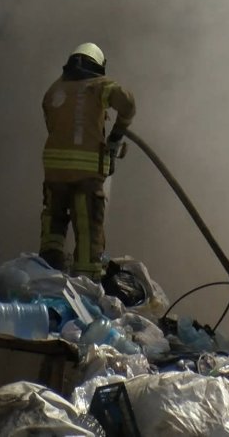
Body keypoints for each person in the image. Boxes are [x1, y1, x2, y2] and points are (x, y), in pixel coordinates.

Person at [39, 42, 135, 280]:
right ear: (98, 65)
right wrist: (115, 137)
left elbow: (54, 127)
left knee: (53, 223)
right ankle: (86, 285)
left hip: (54, 173)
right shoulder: (99, 85)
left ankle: (48, 274)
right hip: (85, 175)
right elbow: (128, 104)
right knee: (87, 229)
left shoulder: (53, 90)